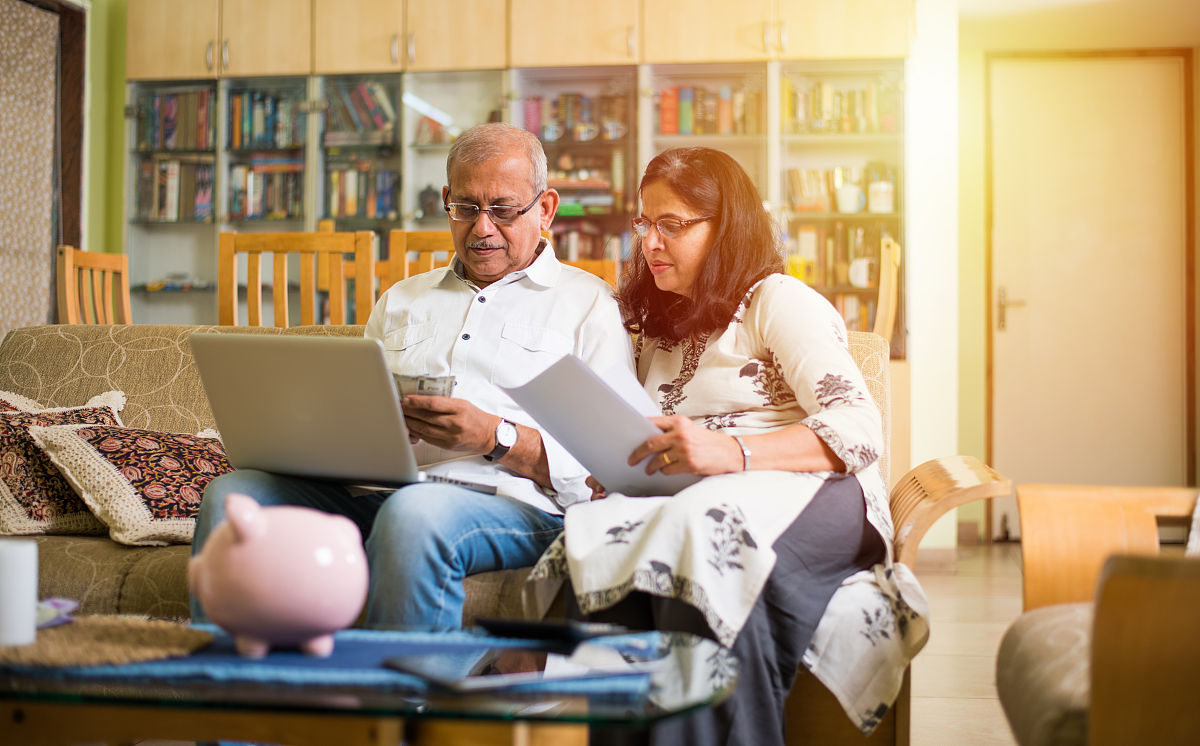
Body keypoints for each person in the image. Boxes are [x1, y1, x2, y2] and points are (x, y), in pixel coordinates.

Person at [524, 147, 928, 746]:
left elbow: (859, 425)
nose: (651, 242)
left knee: (694, 522)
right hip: (703, 495)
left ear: (727, 228)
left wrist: (729, 454)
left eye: (673, 225)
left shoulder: (777, 302)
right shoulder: (653, 329)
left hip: (814, 491)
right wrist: (623, 465)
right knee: (611, 529)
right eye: (645, 223)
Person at [193, 122, 633, 630]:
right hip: (382, 492)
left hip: (517, 505)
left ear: (546, 208)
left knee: (415, 514)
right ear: (446, 200)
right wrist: (360, 434)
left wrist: (497, 437)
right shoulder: (401, 300)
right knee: (232, 495)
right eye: (466, 208)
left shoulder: (589, 305)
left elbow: (609, 465)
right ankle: (223, 694)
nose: (482, 228)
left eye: (504, 210)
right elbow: (355, 414)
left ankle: (400, 707)